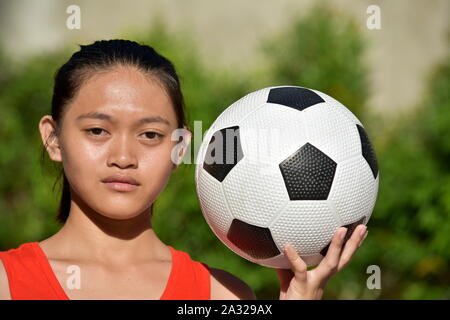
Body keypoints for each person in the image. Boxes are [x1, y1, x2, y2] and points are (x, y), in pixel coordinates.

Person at [0, 39, 368, 300]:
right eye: (97, 130)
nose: (124, 156)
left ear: (180, 148)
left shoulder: (223, 296)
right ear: (53, 139)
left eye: (150, 134)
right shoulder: (6, 282)